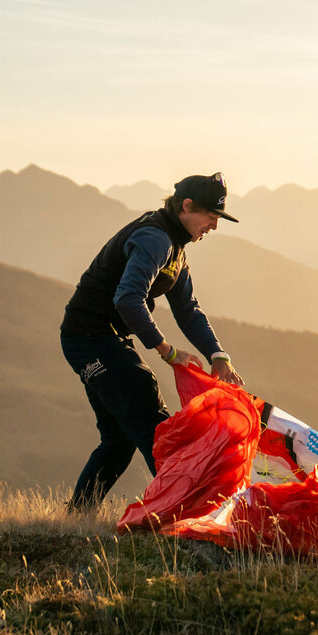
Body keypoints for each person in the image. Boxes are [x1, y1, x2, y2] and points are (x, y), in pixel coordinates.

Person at [60, 172, 244, 511]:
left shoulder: (175, 248)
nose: (214, 226)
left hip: (98, 337)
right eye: (211, 216)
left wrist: (218, 354)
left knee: (118, 439)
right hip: (90, 337)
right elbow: (128, 298)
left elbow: (188, 309)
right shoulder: (155, 239)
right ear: (186, 206)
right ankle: (180, 513)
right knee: (154, 424)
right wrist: (166, 350)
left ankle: (76, 518)